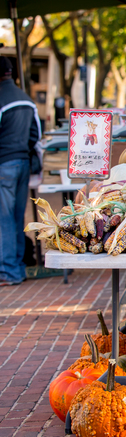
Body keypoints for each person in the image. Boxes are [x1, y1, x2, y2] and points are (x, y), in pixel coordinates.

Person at [0, 57, 41, 286]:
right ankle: (18, 268)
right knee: (16, 217)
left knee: (3, 219)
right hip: (23, 163)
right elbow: (35, 135)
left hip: (3, 164)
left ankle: (8, 272)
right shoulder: (26, 100)